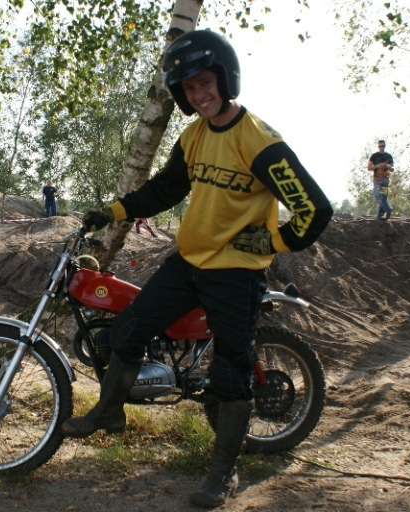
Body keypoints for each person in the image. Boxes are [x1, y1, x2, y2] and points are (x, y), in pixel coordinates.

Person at [60, 30, 333, 509]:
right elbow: (165, 189)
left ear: (225, 79)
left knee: (230, 372)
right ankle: (108, 413)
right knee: (128, 329)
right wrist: (114, 211)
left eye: (204, 82)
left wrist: (273, 240)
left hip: (236, 273)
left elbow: (314, 209)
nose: (198, 94)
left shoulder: (260, 141)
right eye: (188, 89)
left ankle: (222, 474)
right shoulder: (194, 136)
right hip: (188, 264)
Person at [367, 139, 394, 220]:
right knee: (377, 195)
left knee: (384, 198)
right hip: (377, 179)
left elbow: (392, 169)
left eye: (383, 146)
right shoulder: (374, 156)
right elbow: (369, 167)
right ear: (378, 146)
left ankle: (379, 217)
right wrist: (377, 166)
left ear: (385, 146)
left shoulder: (389, 156)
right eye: (380, 146)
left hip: (385, 179)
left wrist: (388, 166)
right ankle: (388, 209)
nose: (381, 147)